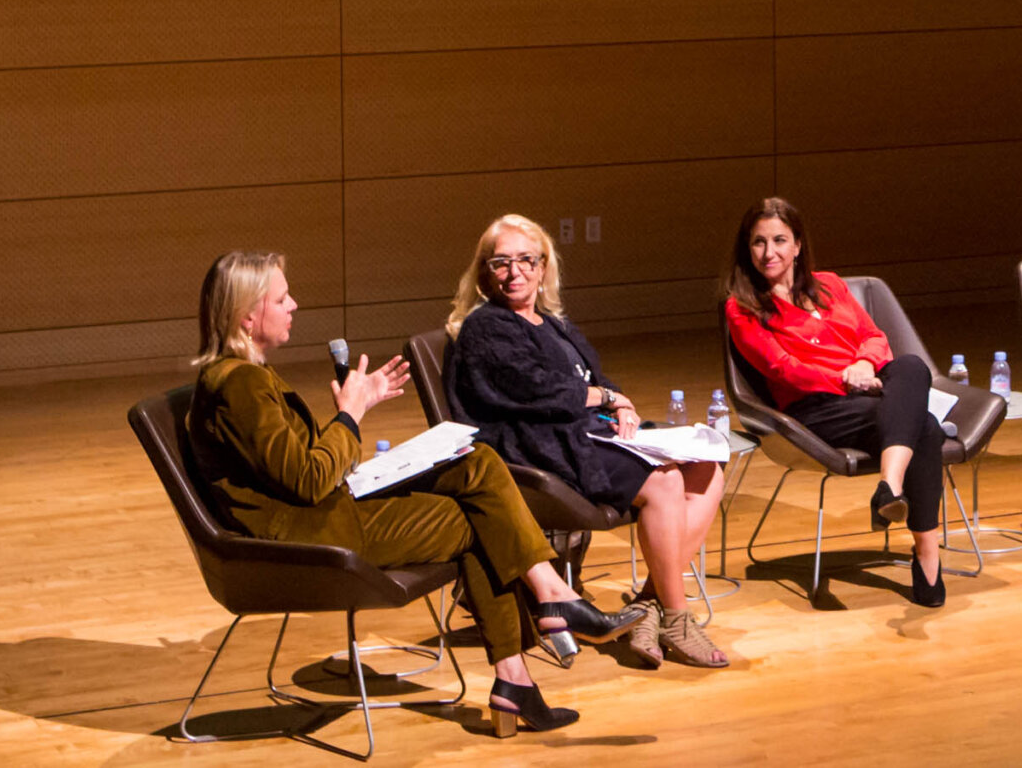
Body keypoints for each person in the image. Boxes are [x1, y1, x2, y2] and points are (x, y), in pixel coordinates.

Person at [185, 251, 646, 738]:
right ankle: (535, 636)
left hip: (326, 509)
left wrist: (359, 410)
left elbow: (298, 470)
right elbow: (309, 480)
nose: (294, 305)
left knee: (475, 461)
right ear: (248, 316)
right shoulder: (241, 385)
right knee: (479, 519)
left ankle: (540, 623)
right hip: (311, 535)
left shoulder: (240, 377)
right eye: (282, 299)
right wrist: (350, 414)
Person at [444, 215, 730, 670]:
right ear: (485, 272)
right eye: (501, 262)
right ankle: (676, 618)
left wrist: (621, 403)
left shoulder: (550, 323)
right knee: (665, 481)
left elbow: (591, 377)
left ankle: (651, 603)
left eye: (526, 260)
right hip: (539, 447)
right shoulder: (487, 327)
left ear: (542, 267)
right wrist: (607, 398)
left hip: (586, 431)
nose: (515, 271)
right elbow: (535, 389)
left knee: (707, 469)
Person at [722, 198, 954, 606]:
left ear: (798, 245)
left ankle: (889, 488)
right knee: (926, 426)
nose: (769, 252)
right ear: (748, 248)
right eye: (759, 242)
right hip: (814, 408)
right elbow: (783, 368)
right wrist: (848, 380)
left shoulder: (830, 284)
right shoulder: (743, 307)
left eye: (780, 240)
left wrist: (864, 364)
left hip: (867, 390)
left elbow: (874, 336)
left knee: (912, 366)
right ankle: (926, 555)